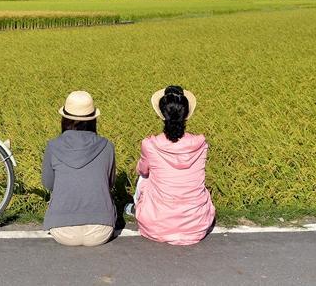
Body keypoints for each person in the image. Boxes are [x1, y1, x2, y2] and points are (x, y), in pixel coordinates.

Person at [131, 85, 215, 246]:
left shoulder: (150, 144)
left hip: (157, 226)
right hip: (196, 225)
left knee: (144, 176)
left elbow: (142, 171)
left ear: (162, 114)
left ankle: (138, 209)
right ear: (186, 113)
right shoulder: (200, 144)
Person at [41, 90, 116, 246]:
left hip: (62, 230)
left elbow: (48, 183)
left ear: (64, 118)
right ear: (93, 119)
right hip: (101, 231)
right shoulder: (107, 146)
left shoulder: (52, 146)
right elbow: (110, 183)